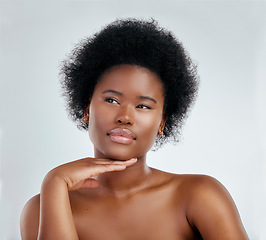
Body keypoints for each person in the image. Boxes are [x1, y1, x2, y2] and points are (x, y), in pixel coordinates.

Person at [20, 18, 249, 240]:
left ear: (162, 122)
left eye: (143, 106)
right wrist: (54, 182)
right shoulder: (43, 208)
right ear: (87, 107)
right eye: (111, 100)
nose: (125, 117)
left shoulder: (199, 195)